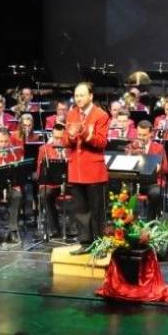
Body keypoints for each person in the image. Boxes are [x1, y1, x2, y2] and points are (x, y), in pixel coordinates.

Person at [66, 83, 110, 254]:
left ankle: (99, 245)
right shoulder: (71, 113)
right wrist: (70, 136)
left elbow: (102, 142)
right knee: (81, 210)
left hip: (94, 172)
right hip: (75, 170)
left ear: (90, 96)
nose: (78, 99)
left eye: (82, 95)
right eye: (76, 95)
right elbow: (65, 141)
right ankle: (85, 243)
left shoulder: (101, 115)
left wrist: (84, 132)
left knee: (96, 211)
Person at [130, 121, 168, 221]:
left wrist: (157, 168)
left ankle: (150, 221)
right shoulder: (131, 147)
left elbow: (166, 168)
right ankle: (127, 221)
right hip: (134, 181)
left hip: (152, 182)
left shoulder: (158, 147)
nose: (141, 137)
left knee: (156, 193)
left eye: (144, 135)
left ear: (151, 134)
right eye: (139, 134)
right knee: (122, 189)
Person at [36, 123, 69, 239]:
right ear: (52, 136)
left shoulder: (70, 148)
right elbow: (39, 170)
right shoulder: (44, 149)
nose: (58, 141)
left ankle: (74, 228)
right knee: (45, 194)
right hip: (52, 184)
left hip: (69, 183)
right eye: (56, 138)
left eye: (61, 138)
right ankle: (55, 228)